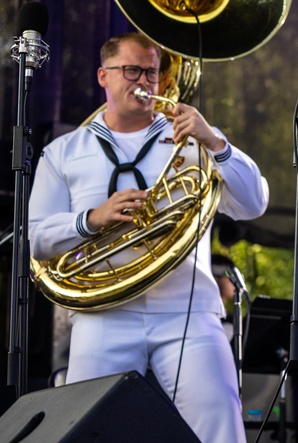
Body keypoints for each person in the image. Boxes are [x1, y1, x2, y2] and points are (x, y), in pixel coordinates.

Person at [28, 32, 269, 443]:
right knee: (83, 429)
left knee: (220, 424)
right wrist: (92, 219)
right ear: (103, 76)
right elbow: (36, 241)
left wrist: (216, 141)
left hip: (187, 312)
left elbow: (254, 203)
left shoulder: (194, 139)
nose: (143, 81)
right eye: (131, 70)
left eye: (152, 72)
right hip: (103, 313)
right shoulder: (63, 152)